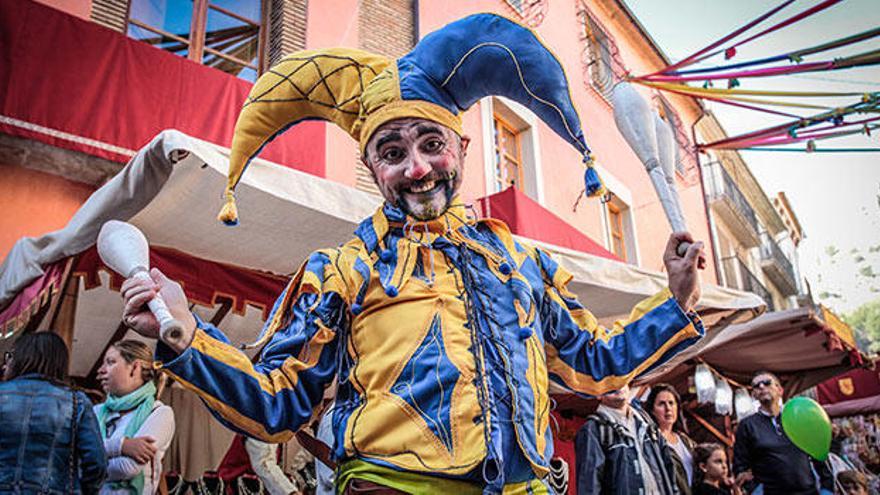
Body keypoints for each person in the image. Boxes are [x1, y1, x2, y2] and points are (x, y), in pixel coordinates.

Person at [120, 13, 706, 493]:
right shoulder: (342, 270)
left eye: (431, 145)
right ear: (373, 168)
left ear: (462, 148)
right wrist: (183, 333)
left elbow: (592, 360)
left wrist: (676, 298)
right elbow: (279, 402)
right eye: (392, 151)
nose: (417, 167)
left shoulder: (516, 259)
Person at [0, 332, 107, 493]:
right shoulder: (76, 401)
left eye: (10, 356)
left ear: (21, 358)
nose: (4, 364)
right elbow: (96, 462)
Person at [733, 371, 833, 495]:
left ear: (780, 390)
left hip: (809, 492)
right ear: (754, 395)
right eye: (756, 386)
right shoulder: (747, 425)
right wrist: (756, 491)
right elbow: (740, 465)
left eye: (767, 383)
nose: (761, 387)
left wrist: (826, 489)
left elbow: (819, 454)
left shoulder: (798, 417)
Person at [95, 339, 175, 494]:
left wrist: (88, 465)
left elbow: (127, 468)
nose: (101, 370)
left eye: (110, 362)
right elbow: (72, 453)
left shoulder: (159, 413)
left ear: (135, 368)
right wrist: (122, 446)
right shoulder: (97, 411)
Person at [575, 384, 679, 495]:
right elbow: (589, 487)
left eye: (622, 379)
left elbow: (669, 470)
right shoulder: (593, 429)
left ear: (629, 386)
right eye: (609, 381)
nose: (617, 384)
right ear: (598, 394)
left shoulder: (647, 422)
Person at [647, 383, 696, 495]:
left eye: (671, 403)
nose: (668, 408)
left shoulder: (686, 440)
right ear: (652, 410)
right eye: (661, 404)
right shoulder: (651, 442)